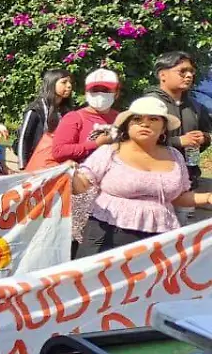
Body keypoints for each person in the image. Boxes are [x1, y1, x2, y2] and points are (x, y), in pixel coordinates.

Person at [73, 96, 212, 256]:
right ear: (127, 125)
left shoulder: (175, 156)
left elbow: (178, 197)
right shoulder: (110, 152)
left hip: (160, 239)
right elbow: (81, 184)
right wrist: (69, 176)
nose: (145, 124)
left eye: (153, 119)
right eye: (137, 119)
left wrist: (208, 197)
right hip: (107, 235)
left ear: (164, 128)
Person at [46, 68, 121, 253]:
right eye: (95, 90)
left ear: (116, 93)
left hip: (111, 194)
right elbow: (59, 151)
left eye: (106, 90)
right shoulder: (75, 118)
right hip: (80, 192)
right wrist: (95, 144)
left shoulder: (120, 119)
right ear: (86, 92)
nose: (100, 95)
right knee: (76, 246)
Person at [144, 51, 212, 199]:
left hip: (188, 182)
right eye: (182, 71)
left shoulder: (196, 106)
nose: (189, 75)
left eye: (191, 71)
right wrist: (178, 142)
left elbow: (206, 135)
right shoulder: (149, 104)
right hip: (154, 184)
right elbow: (138, 142)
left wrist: (203, 138)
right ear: (162, 75)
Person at [16, 68, 74, 166]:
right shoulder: (35, 109)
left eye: (70, 82)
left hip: (59, 162)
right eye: (64, 82)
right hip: (37, 161)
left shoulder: (68, 111)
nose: (69, 86)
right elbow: (24, 138)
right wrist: (23, 166)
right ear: (52, 83)